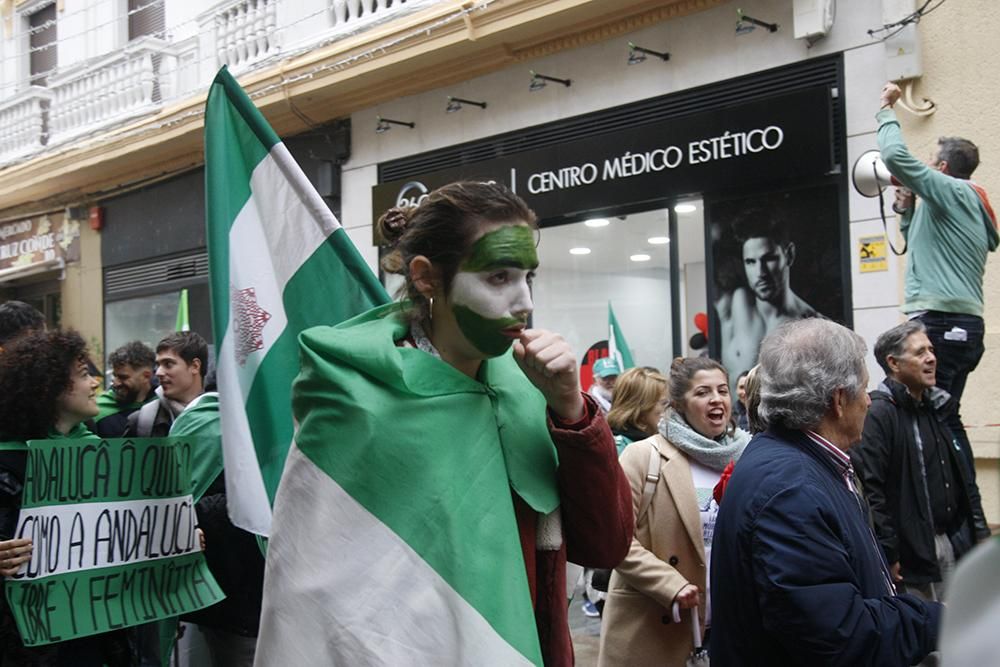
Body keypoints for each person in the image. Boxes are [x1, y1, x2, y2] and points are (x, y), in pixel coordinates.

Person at [254, 181, 632, 666]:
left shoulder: (530, 386)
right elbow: (317, 597)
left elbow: (607, 544)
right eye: (498, 277)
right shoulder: (354, 395)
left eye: (527, 278)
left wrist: (572, 413)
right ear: (427, 277)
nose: (523, 302)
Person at [710, 319, 942, 665]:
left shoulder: (796, 464)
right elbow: (840, 636)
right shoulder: (791, 490)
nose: (868, 400)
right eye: (864, 389)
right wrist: (936, 620)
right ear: (838, 400)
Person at [877, 81, 998, 475]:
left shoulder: (953, 191)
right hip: (958, 324)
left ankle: (959, 514)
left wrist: (887, 108)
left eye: (931, 161)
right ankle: (959, 512)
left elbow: (894, 155)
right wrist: (907, 210)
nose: (926, 166)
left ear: (943, 169)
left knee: (936, 421)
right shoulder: (955, 202)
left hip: (942, 324)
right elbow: (919, 245)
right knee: (942, 419)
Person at [598, 357, 749, 667]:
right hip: (656, 623)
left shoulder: (747, 455)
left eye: (722, 390)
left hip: (728, 627)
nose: (716, 399)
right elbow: (615, 537)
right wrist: (670, 584)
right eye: (703, 392)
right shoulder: (644, 456)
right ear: (679, 403)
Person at [0, 330, 131, 666]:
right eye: (85, 374)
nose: (95, 384)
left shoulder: (104, 460)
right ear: (51, 387)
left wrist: (176, 541)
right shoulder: (6, 462)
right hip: (24, 644)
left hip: (94, 638)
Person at [851, 321, 990, 605]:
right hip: (911, 557)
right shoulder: (880, 413)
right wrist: (889, 553)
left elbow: (963, 477)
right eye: (920, 352)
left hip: (948, 545)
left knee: (956, 631)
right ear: (893, 362)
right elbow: (872, 488)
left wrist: (980, 532)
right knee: (925, 640)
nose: (932, 358)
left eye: (931, 350)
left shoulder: (937, 407)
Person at [714, 208, 818, 389]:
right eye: (751, 262)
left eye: (769, 259)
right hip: (735, 417)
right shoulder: (730, 306)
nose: (760, 273)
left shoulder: (813, 325)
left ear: (789, 255)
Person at [125, 331, 208, 438]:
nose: (159, 372)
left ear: (195, 366)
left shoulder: (223, 418)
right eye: (158, 365)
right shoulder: (141, 422)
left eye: (168, 364)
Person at [95, 340, 157, 438]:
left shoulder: (164, 405)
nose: (115, 383)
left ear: (146, 376)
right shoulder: (98, 409)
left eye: (123, 377)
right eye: (115, 376)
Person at [606, 366, 668, 455]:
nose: (669, 410)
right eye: (664, 403)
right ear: (641, 409)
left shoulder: (657, 442)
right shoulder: (620, 450)